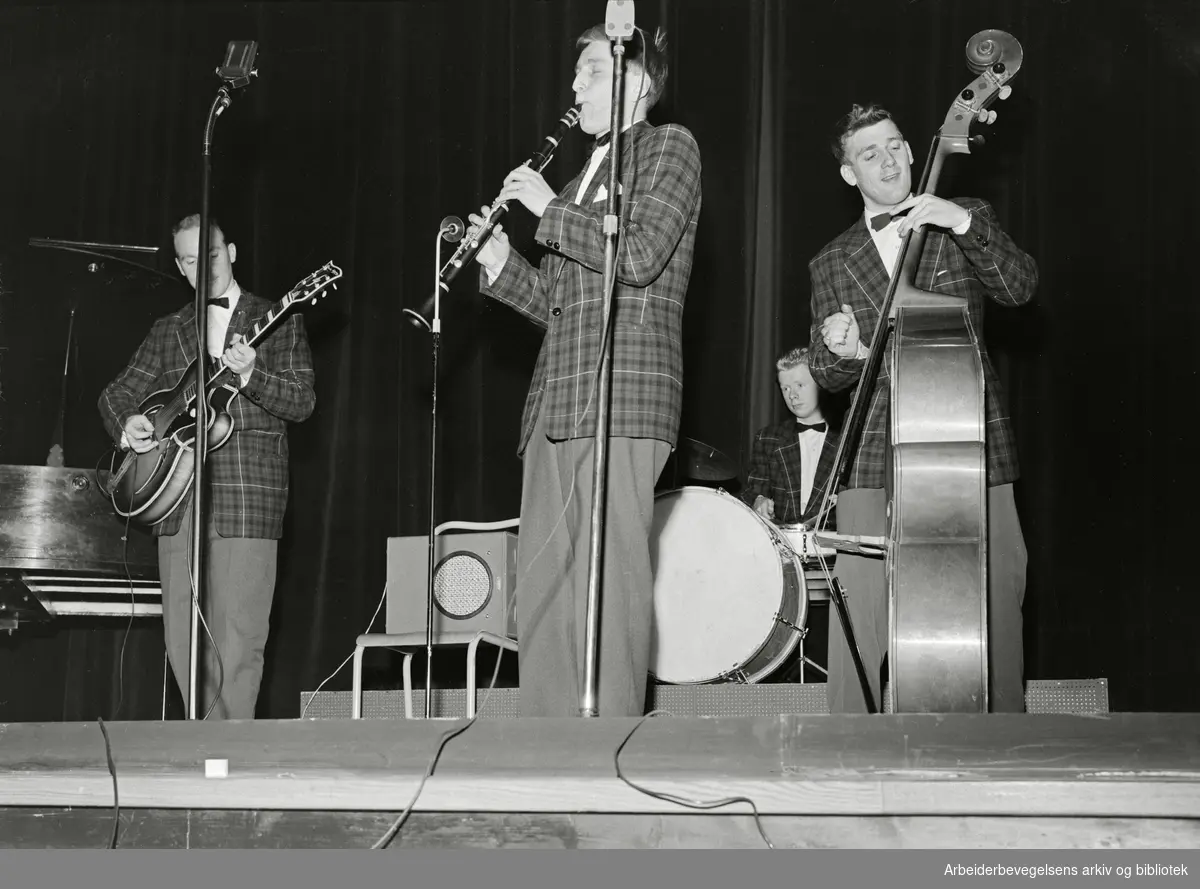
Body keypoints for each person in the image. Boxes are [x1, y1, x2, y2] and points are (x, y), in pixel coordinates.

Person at [465, 24, 702, 717]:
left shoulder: (669, 146)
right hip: (555, 400)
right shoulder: (579, 178)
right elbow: (557, 303)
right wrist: (500, 263)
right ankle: (546, 745)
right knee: (542, 585)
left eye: (591, 72)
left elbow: (640, 256)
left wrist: (547, 209)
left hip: (625, 394)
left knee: (612, 582)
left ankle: (612, 745)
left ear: (636, 82)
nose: (574, 87)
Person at [807, 103, 1037, 714]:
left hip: (969, 449)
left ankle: (1004, 757)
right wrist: (844, 352)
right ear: (849, 175)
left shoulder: (966, 221)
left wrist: (961, 221)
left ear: (913, 151)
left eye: (894, 145)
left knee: (994, 612)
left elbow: (1019, 287)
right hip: (873, 456)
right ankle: (846, 767)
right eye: (868, 154)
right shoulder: (831, 260)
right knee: (861, 619)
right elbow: (827, 374)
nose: (886, 160)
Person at [98, 214, 315, 719]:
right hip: (175, 501)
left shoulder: (277, 317)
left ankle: (229, 764)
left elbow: (302, 401)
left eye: (212, 254)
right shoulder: (168, 330)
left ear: (232, 252)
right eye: (191, 261)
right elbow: (115, 393)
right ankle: (201, 754)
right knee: (182, 640)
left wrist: (253, 374)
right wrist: (128, 422)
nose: (204, 267)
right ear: (180, 267)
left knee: (239, 640)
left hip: (247, 498)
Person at [742, 345, 840, 528]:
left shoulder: (849, 437)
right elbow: (753, 491)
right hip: (783, 548)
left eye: (800, 385)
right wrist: (759, 500)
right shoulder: (767, 439)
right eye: (785, 388)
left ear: (821, 383)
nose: (792, 395)